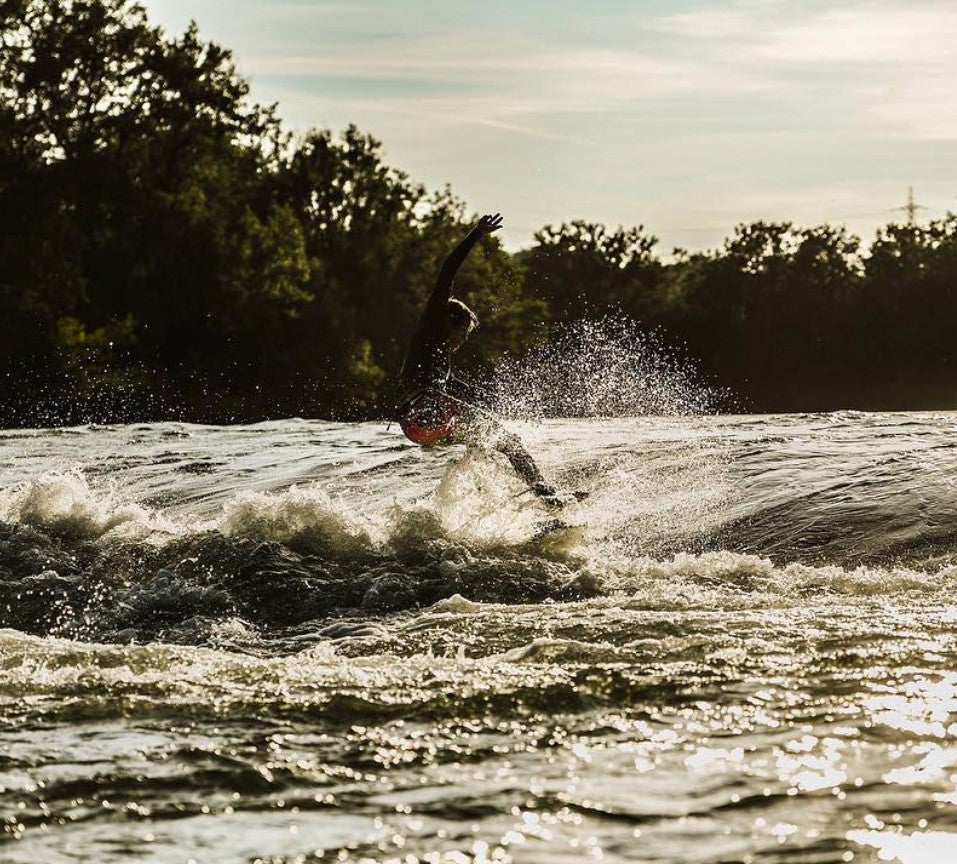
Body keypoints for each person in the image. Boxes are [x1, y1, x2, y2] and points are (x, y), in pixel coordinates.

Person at [395, 213, 577, 508]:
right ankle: (547, 495)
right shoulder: (430, 329)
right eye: (463, 333)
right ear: (450, 323)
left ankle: (495, 504)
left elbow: (455, 386)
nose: (462, 340)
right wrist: (476, 234)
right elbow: (447, 270)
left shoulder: (437, 357)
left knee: (488, 444)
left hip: (417, 422)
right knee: (507, 440)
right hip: (425, 411)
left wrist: (492, 399)